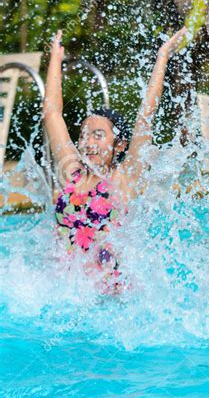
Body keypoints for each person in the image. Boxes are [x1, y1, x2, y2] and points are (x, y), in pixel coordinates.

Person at [43, 26, 187, 292]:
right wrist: (55, 60)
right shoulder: (72, 173)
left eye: (99, 135)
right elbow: (52, 114)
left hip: (110, 295)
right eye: (85, 135)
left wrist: (162, 57)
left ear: (119, 145)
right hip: (67, 293)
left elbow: (146, 117)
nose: (88, 142)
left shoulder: (124, 177)